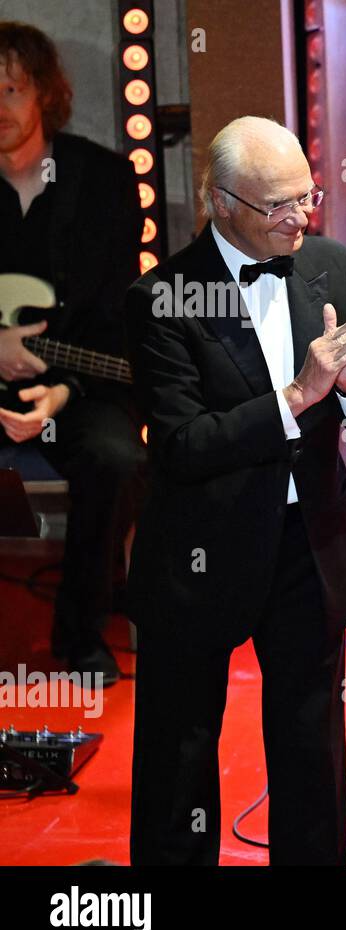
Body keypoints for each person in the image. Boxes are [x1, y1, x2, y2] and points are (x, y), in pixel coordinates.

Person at [124, 116, 346, 865]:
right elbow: (182, 447)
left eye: (306, 197)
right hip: (199, 554)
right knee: (178, 760)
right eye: (276, 205)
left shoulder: (335, 265)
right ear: (220, 203)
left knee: (312, 754)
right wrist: (297, 395)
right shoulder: (165, 297)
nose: (300, 218)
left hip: (306, 549)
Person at [0, 21, 146, 684]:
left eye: (11, 90)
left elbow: (117, 309)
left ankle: (81, 633)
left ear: (43, 97)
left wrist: (62, 392)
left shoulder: (104, 182)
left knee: (116, 455)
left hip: (75, 377)